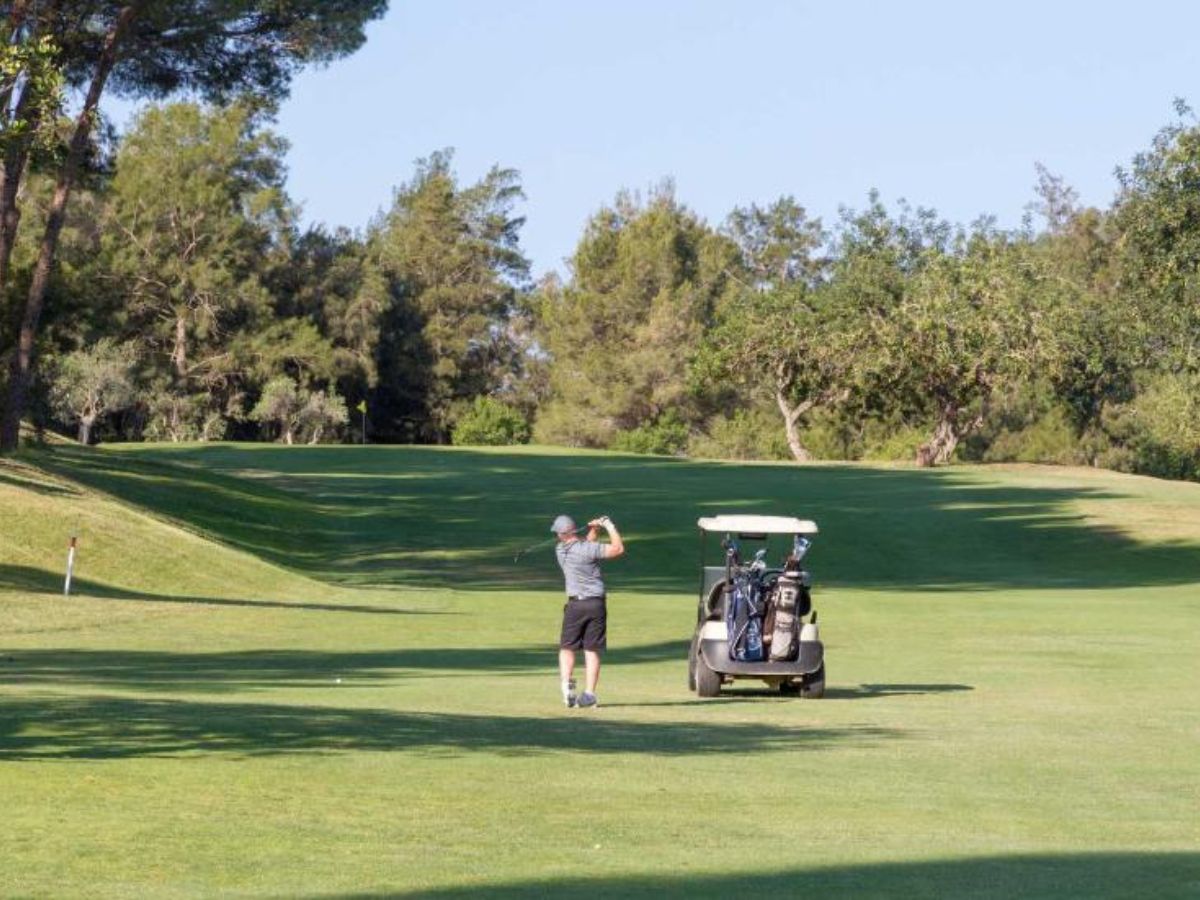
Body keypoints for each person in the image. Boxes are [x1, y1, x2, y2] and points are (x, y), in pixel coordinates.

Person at [551, 513, 624, 709]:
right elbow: (618, 549)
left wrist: (594, 529)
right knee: (591, 650)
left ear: (561, 535)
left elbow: (585, 547)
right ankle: (589, 694)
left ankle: (568, 688)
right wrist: (609, 525)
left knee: (567, 648)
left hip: (575, 605)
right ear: (573, 530)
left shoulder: (560, 550)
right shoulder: (587, 549)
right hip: (595, 604)